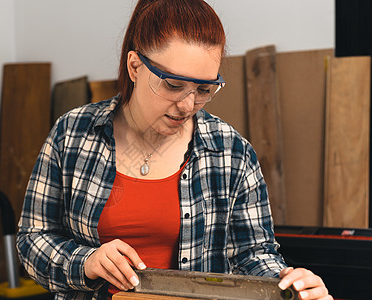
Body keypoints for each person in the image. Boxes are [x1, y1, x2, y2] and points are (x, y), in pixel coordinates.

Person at [17, 0, 332, 299]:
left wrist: (288, 286)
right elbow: (32, 240)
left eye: (204, 89)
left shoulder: (232, 153)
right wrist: (86, 262)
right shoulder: (72, 134)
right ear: (135, 66)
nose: (187, 105)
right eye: (173, 85)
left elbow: (253, 255)